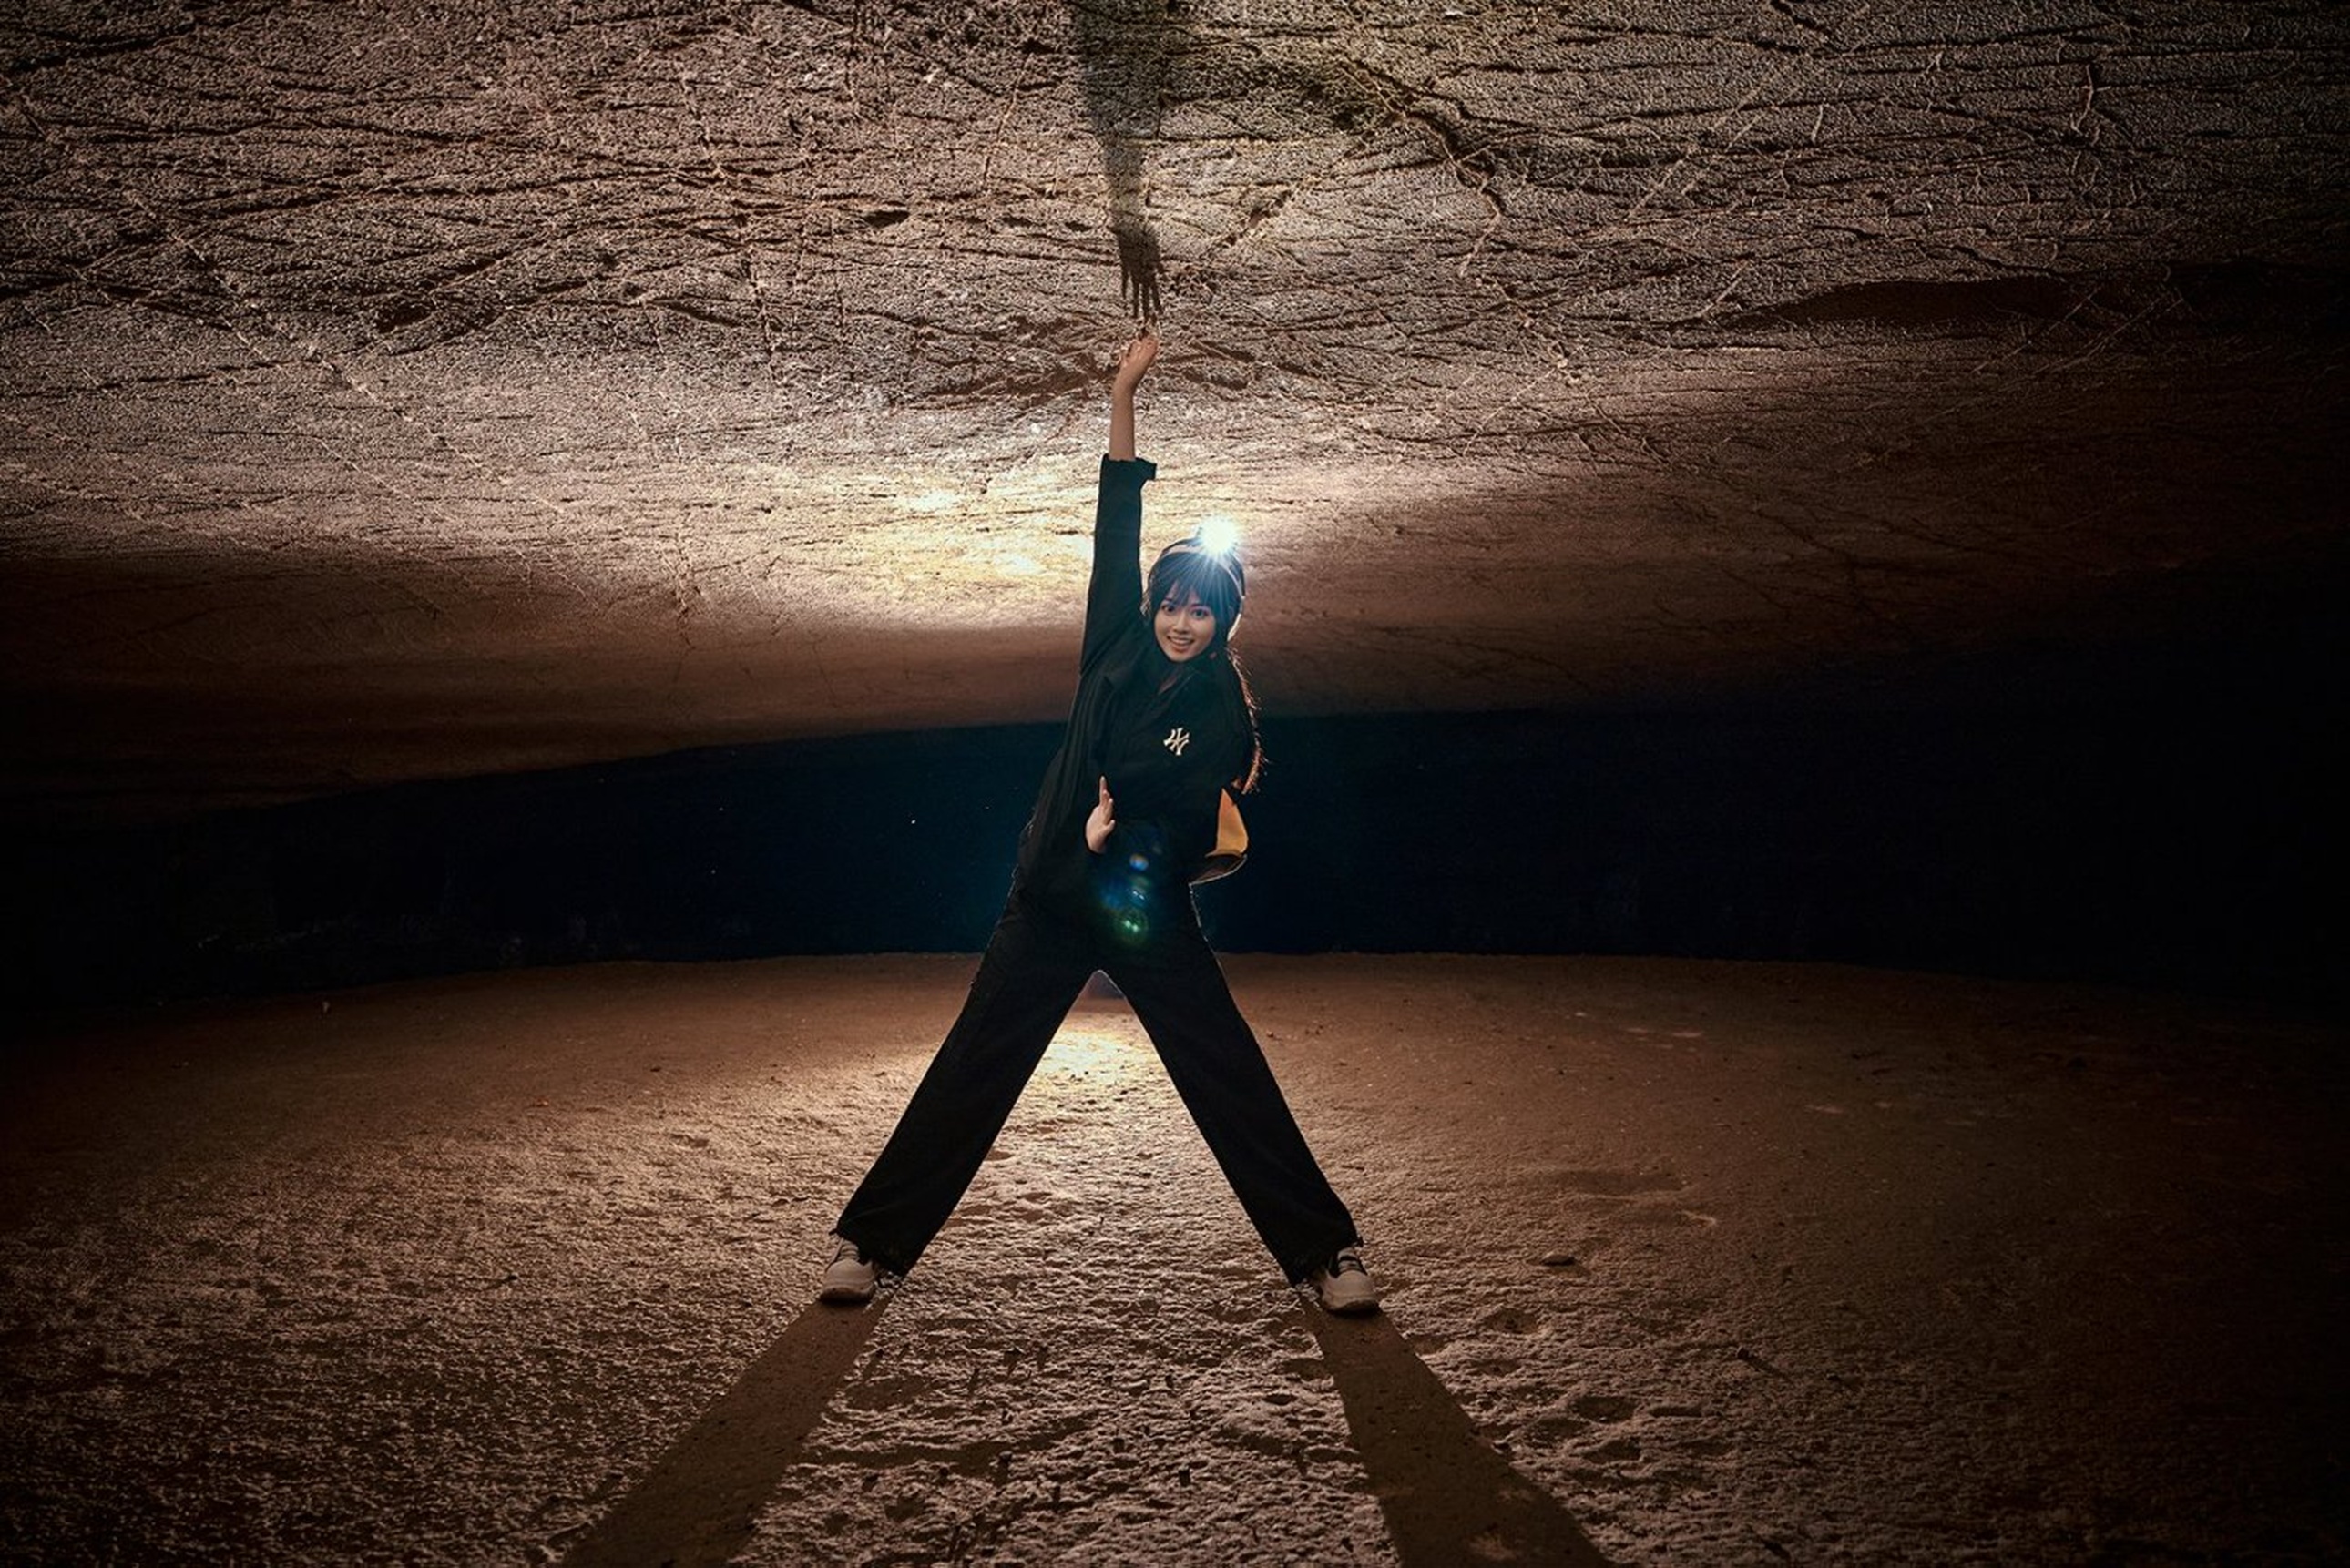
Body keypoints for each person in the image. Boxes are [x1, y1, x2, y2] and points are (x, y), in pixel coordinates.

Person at [821, 330, 1378, 1315]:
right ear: (1153, 604)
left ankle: (1326, 1256)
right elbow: (1116, 518)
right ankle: (869, 1247)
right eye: (1173, 605)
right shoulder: (1110, 640)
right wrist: (1124, 393)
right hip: (1047, 899)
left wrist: (1111, 839)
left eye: (1202, 613)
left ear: (1224, 623)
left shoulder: (1217, 711)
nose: (1181, 622)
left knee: (1227, 1072)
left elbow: (1178, 823)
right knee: (973, 1069)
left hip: (1145, 914)